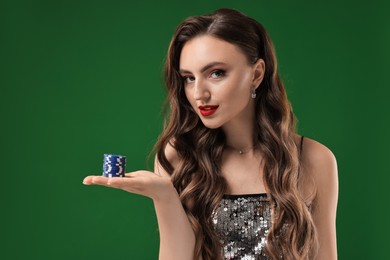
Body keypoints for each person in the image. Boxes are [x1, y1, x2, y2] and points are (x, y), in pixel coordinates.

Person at [83, 8, 338, 260]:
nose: (198, 94)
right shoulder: (179, 155)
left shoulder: (314, 159)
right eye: (188, 78)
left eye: (216, 73)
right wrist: (164, 195)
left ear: (257, 74)